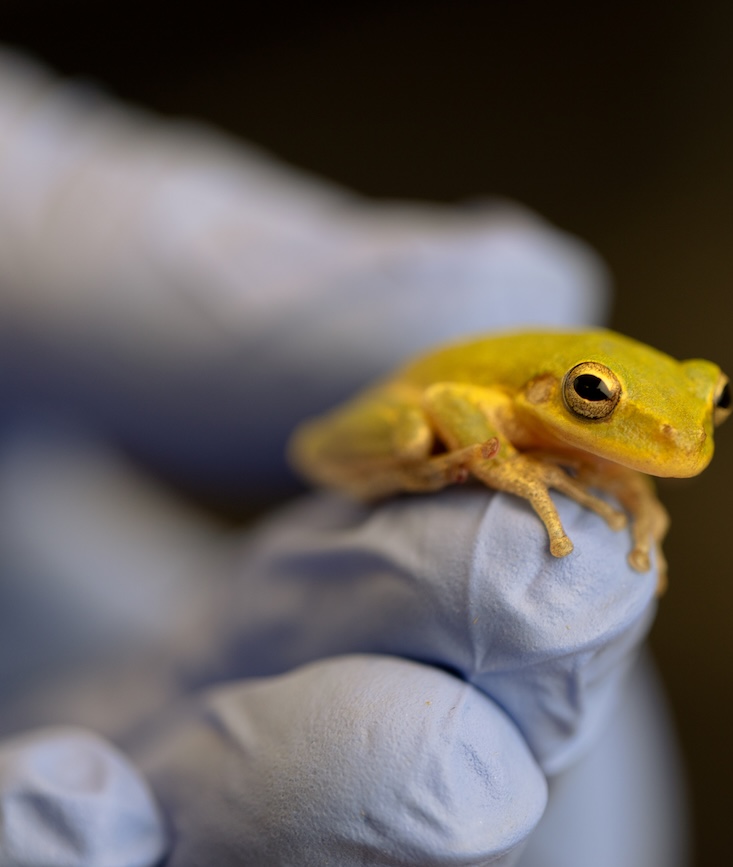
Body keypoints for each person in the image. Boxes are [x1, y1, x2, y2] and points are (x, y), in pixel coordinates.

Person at [0, 47, 687, 867]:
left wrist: (634, 492)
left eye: (712, 402)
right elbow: (451, 402)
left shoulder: (642, 421)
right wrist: (495, 463)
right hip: (416, 411)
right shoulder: (506, 394)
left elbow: (656, 438)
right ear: (555, 392)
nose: (687, 436)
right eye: (594, 400)